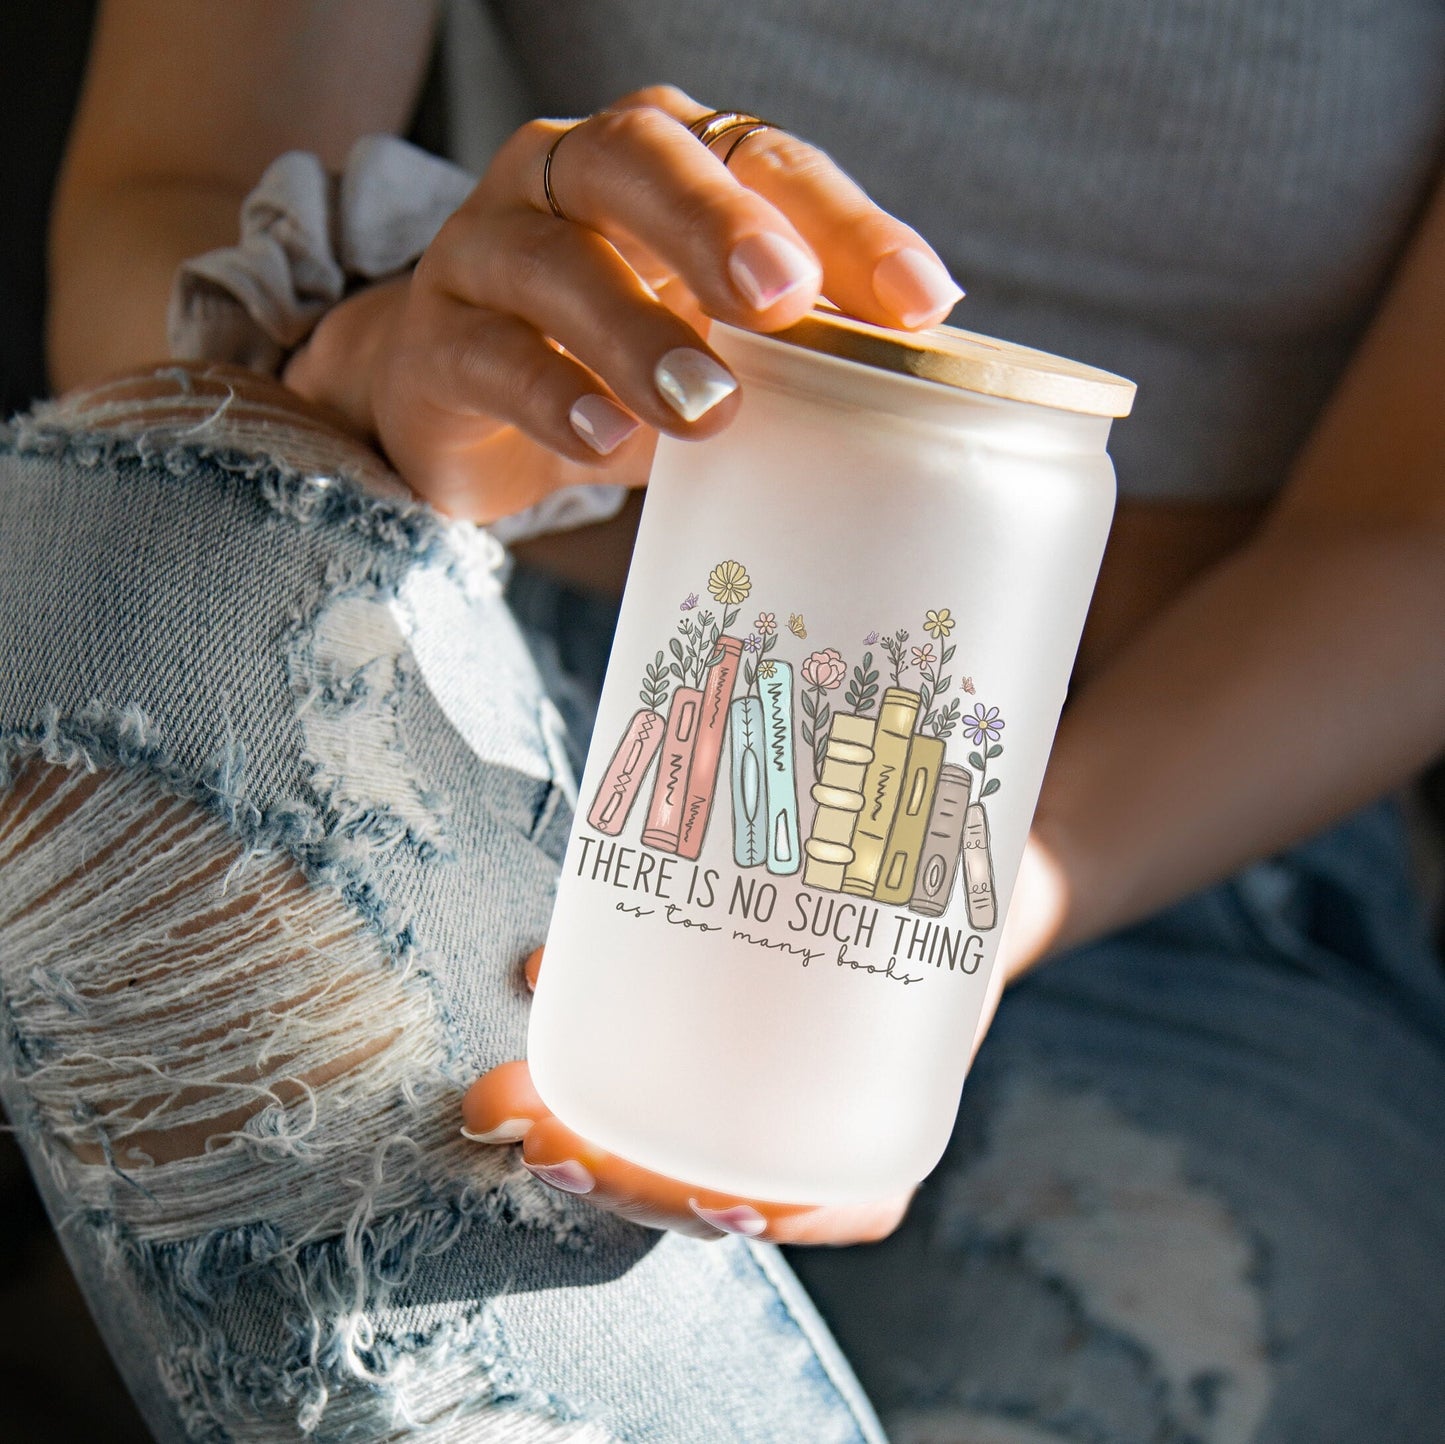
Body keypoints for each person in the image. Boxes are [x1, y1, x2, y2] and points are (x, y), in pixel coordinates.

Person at [3, 0, 1444, 1439]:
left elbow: (1406, 537)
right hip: (456, 657)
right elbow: (167, 206)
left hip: (1183, 833)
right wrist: (358, 369)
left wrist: (941, 920)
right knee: (112, 568)